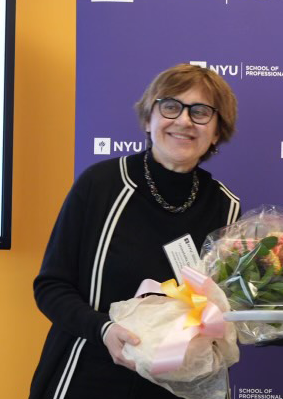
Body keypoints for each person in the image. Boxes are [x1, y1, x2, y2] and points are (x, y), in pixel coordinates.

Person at [30, 64, 241, 399]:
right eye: (171, 106)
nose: (184, 120)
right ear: (148, 119)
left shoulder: (226, 209)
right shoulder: (100, 186)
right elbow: (51, 286)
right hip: (89, 376)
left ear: (217, 132)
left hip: (177, 387)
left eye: (201, 112)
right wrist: (104, 329)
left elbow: (225, 312)